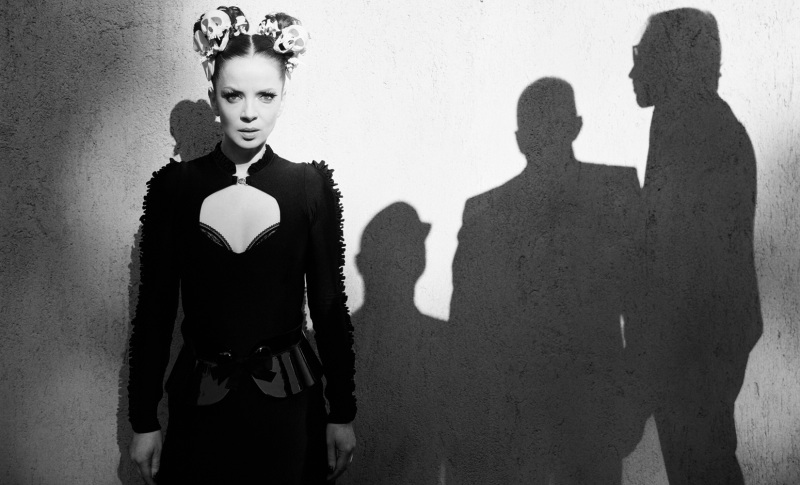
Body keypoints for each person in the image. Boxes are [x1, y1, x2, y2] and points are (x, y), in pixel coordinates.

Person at [126, 7, 356, 484]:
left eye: (265, 95)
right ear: (214, 94)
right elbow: (155, 310)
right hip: (200, 410)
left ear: (283, 97)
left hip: (291, 413)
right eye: (234, 95)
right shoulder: (176, 188)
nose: (250, 112)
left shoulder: (309, 187)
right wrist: (143, 418)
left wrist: (342, 412)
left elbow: (330, 307)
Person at [446, 77, 643, 484]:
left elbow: (468, 328)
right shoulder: (614, 192)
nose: (546, 138)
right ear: (576, 125)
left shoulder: (486, 212)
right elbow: (643, 306)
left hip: (542, 414)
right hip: (569, 411)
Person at [628, 8, 762, 484]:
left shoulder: (685, 125)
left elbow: (671, 251)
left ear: (673, 61)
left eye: (642, 55)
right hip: (705, 338)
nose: (632, 71)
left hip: (690, 343)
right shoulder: (704, 121)